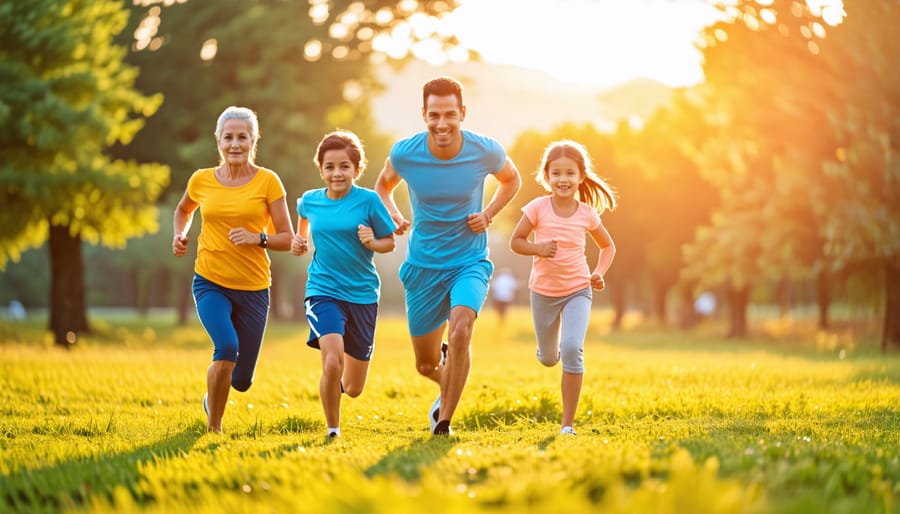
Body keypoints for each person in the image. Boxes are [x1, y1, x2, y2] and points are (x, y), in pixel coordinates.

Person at [374, 76, 522, 436]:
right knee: (425, 365)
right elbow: (382, 185)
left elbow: (512, 179)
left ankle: (445, 422)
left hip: (468, 262)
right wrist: (392, 214)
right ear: (424, 114)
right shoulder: (405, 153)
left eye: (450, 115)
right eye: (434, 115)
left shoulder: (484, 150)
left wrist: (488, 214)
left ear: (463, 114)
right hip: (423, 266)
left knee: (460, 331)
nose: (442, 123)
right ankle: (446, 375)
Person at [172, 106, 293, 433]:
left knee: (241, 380)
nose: (235, 144)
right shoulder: (201, 180)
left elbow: (287, 238)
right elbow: (184, 210)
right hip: (210, 281)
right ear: (218, 141)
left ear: (253, 140)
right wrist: (179, 234)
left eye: (242, 137)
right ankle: (215, 429)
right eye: (229, 137)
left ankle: (214, 395)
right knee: (225, 347)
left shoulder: (268, 181)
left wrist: (258, 238)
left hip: (254, 288)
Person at [292, 131, 396, 439]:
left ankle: (334, 384)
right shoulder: (310, 201)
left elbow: (389, 242)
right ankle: (333, 430)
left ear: (356, 169)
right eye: (330, 166)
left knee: (352, 387)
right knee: (333, 358)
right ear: (321, 169)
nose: (337, 173)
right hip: (322, 291)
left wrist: (371, 241)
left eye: (344, 166)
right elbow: (302, 227)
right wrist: (300, 242)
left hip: (362, 294)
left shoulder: (369, 201)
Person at [510, 140, 616, 436]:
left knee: (572, 348)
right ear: (547, 176)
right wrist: (538, 248)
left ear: (581, 176)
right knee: (548, 358)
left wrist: (598, 273)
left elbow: (607, 246)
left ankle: (567, 425)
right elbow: (516, 241)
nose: (563, 179)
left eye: (570, 173)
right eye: (556, 173)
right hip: (543, 292)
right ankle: (548, 350)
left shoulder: (587, 213)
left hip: (578, 290)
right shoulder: (537, 208)